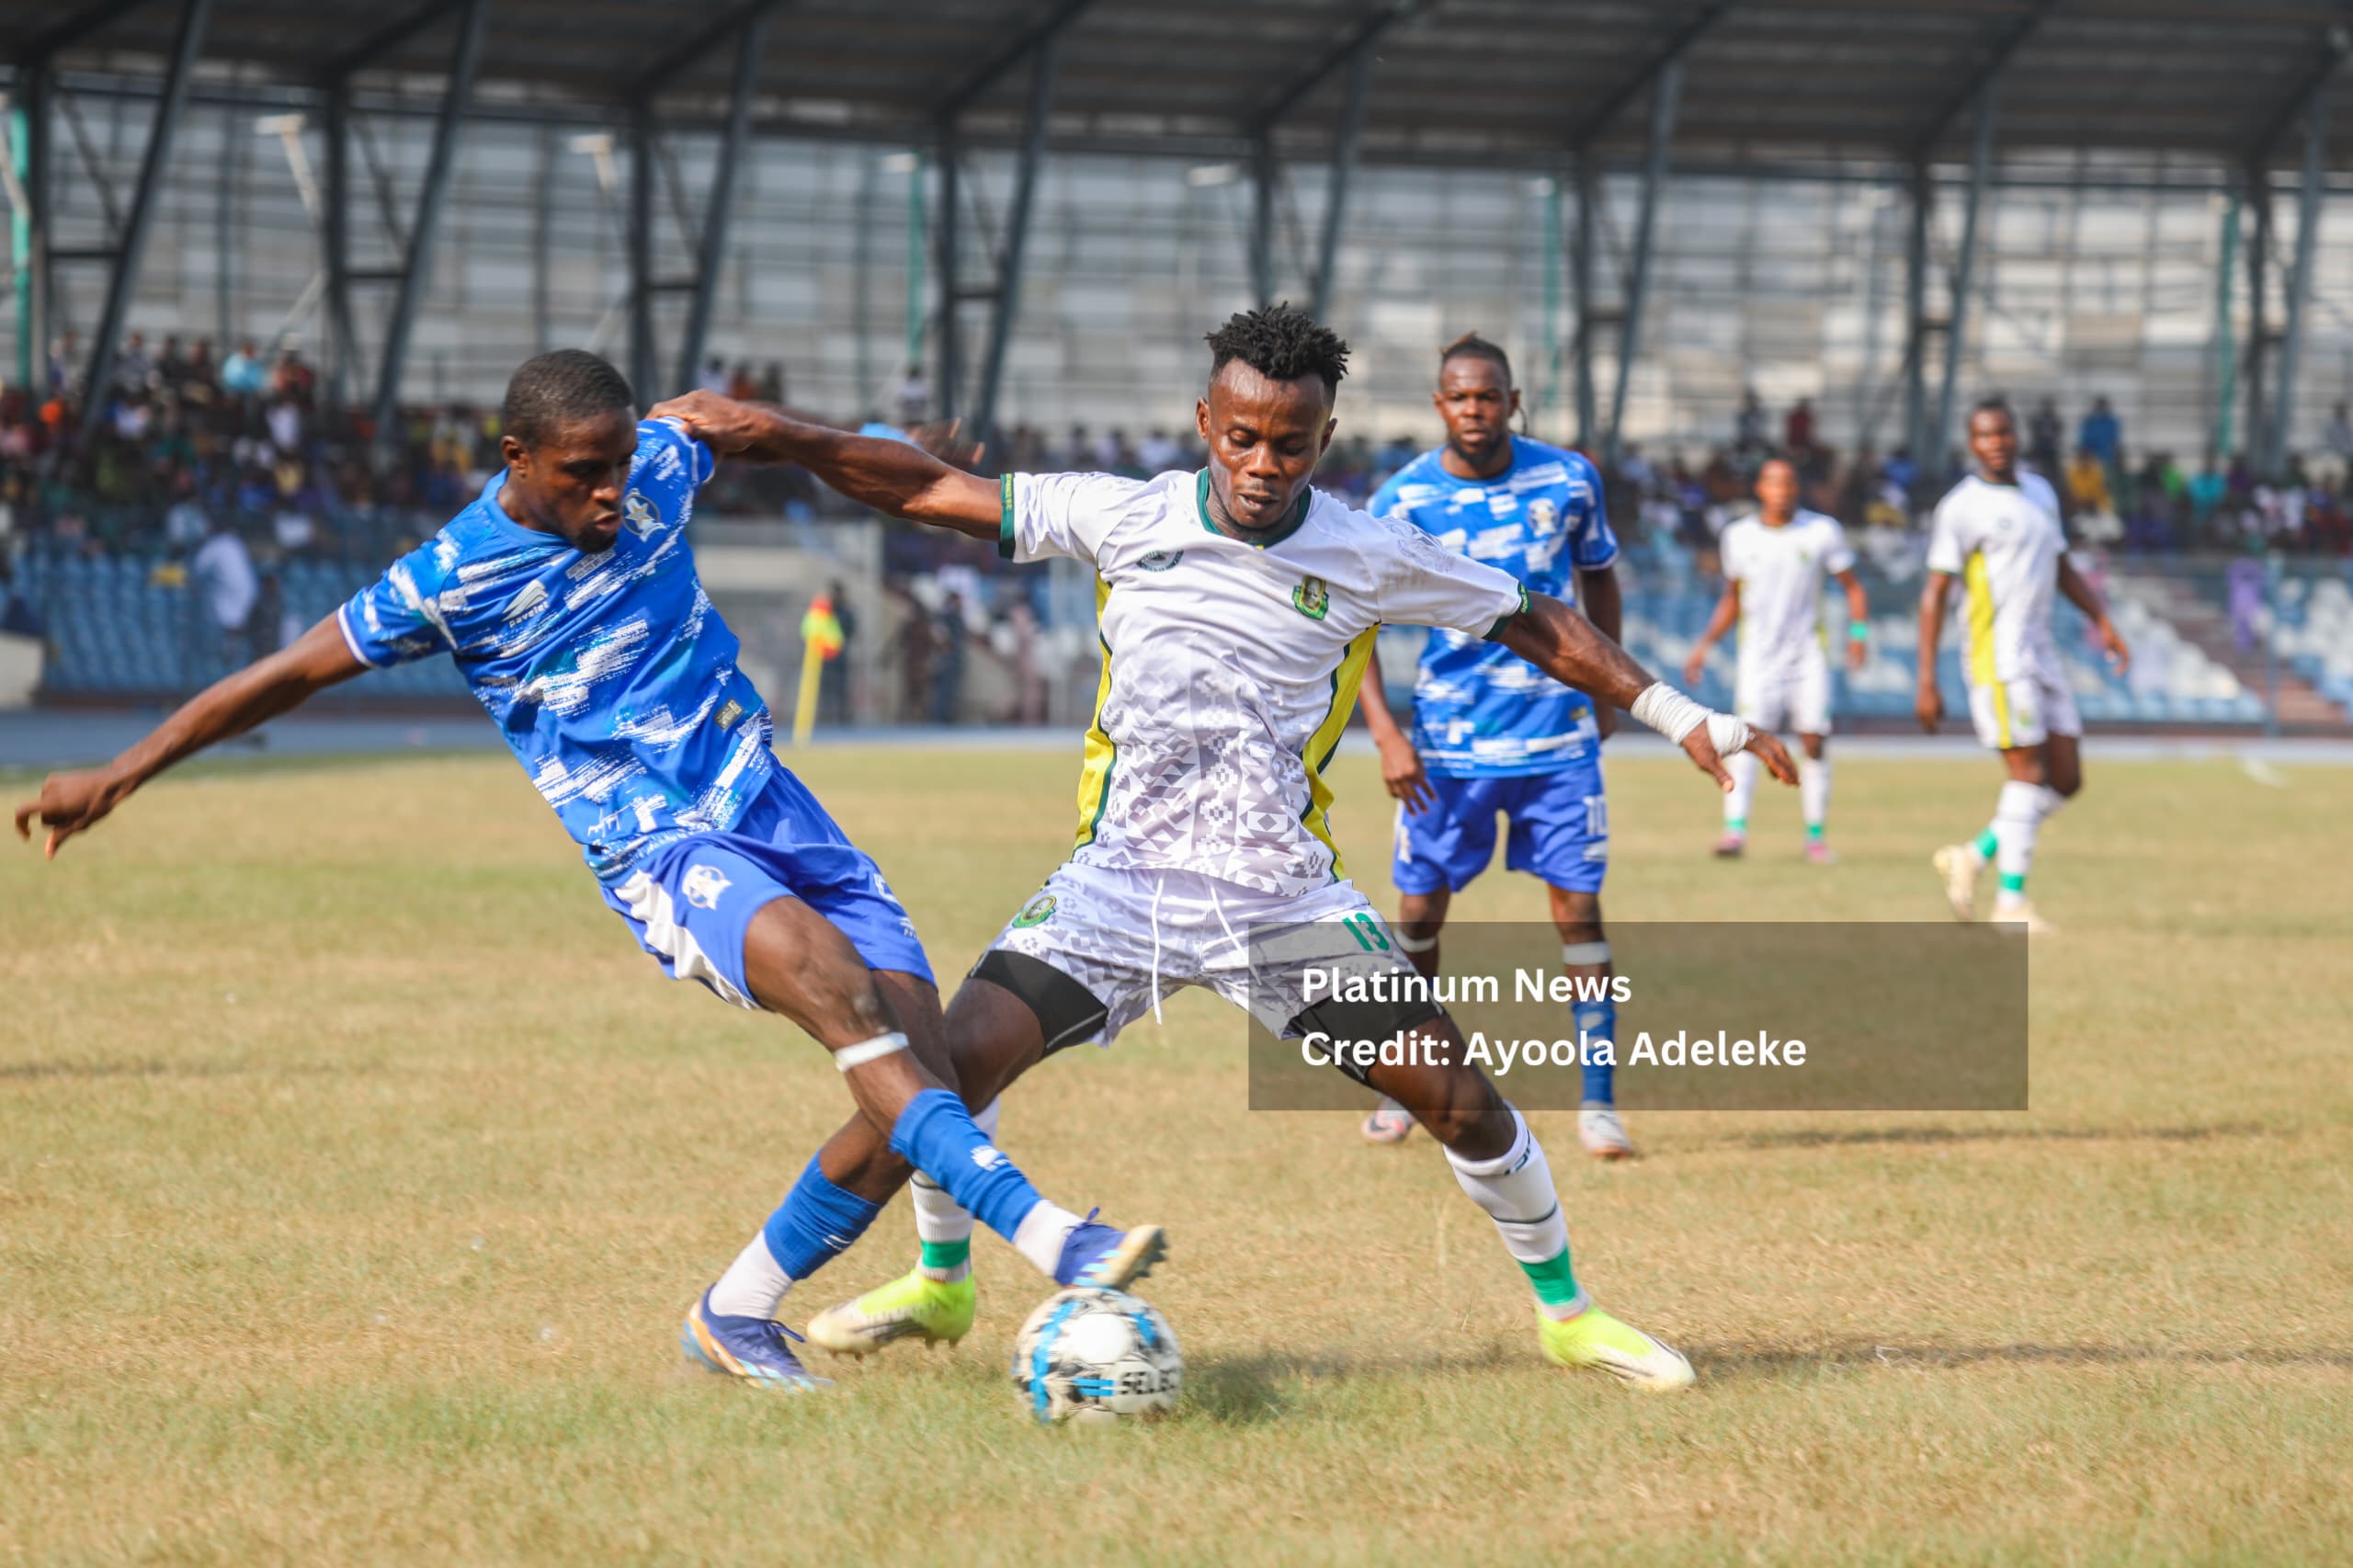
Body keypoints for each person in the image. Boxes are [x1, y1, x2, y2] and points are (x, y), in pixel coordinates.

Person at [646, 306, 1797, 1393]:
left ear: (1322, 441)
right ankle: (802, 1296)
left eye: (1288, 444)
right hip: (1117, 887)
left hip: (1275, 900)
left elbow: (1536, 618)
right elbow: (931, 485)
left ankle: (1566, 1316)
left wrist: (1680, 714)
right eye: (1241, 436)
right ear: (1207, 425)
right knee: (934, 1077)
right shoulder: (1126, 514)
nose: (1262, 463)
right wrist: (780, 437)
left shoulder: (1370, 550)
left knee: (1462, 1101)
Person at [12, 349, 1164, 1394]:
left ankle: (740, 1309)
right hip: (660, 845)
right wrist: (118, 772)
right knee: (833, 986)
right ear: (516, 461)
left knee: (929, 1069)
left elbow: (757, 433)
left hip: (773, 802)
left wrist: (864, 447)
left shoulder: (654, 458)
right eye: (582, 473)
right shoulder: (450, 576)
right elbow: (286, 675)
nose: (613, 491)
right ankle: (1053, 1235)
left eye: (619, 464)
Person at [1348, 333, 1637, 1161]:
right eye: (1459, 397)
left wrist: (1608, 684)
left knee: (1579, 911)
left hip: (1557, 743)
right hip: (1448, 748)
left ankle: (1599, 1102)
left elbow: (1601, 576)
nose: (1475, 410)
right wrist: (1387, 734)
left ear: (1513, 401)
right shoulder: (1401, 501)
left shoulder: (1569, 478)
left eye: (1489, 396)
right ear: (1439, 405)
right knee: (1417, 915)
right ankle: (1407, 1091)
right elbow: (1352, 621)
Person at [1919, 401, 2130, 935]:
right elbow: (1936, 591)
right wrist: (1926, 678)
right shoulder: (1961, 507)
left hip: (2042, 653)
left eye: (2003, 432)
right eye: (1984, 435)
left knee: (2066, 779)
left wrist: (2101, 619)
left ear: (2016, 435)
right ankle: (2010, 905)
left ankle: (1974, 854)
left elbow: (2060, 565)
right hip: (1999, 658)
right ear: (1973, 444)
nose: (1996, 442)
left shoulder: (2040, 492)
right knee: (2028, 774)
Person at [1682, 457, 1870, 861]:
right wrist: (1705, 645)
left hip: (1807, 656)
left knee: (1814, 740)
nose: (1781, 490)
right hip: (1758, 659)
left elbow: (1853, 587)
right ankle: (1734, 832)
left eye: (1788, 483)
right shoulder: (1739, 536)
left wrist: (1857, 633)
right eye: (1773, 483)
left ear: (1796, 488)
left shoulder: (1820, 532)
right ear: (1761, 489)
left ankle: (1815, 837)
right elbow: (1732, 599)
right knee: (1744, 739)